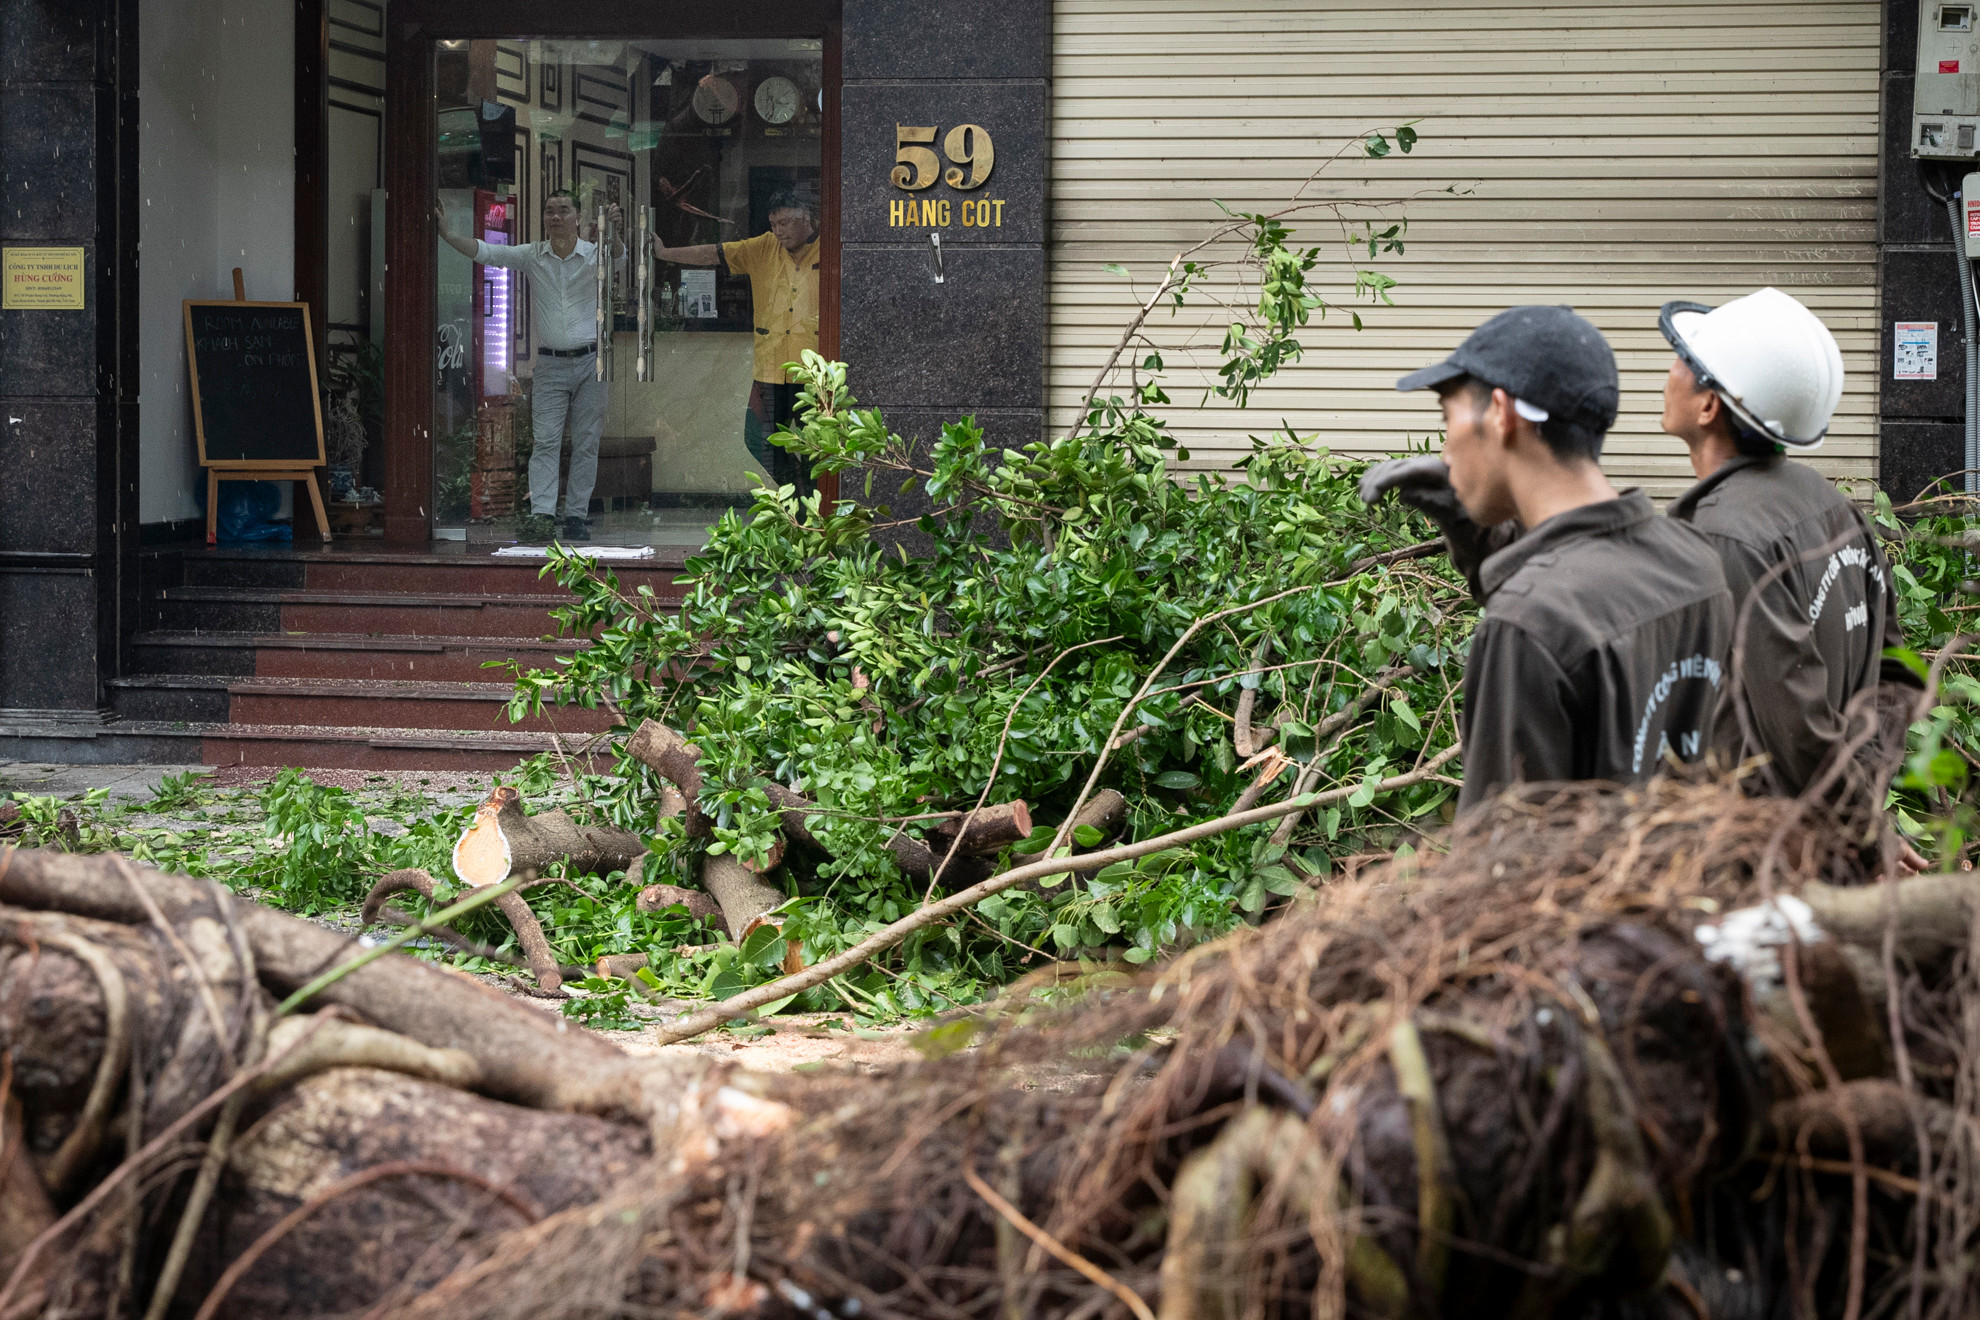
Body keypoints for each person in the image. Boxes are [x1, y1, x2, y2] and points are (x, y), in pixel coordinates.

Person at [1362, 306, 1735, 813]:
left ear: (1501, 413)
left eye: (1445, 418)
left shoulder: (1528, 622)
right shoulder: (1695, 560)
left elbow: (1501, 860)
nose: (1445, 450)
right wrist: (1470, 527)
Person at [1657, 288, 1922, 812]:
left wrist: (1857, 828)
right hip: (1819, 839)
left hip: (1754, 850)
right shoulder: (1831, 504)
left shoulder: (1724, 537)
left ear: (1710, 405)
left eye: (1685, 361)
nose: (1669, 369)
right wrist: (1865, 785)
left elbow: (1795, 722)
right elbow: (1899, 678)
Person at [435, 189, 621, 542]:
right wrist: (447, 234)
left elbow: (623, 260)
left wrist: (616, 232)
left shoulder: (596, 255)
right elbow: (487, 251)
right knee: (546, 441)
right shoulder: (533, 255)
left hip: (592, 361)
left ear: (578, 217)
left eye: (564, 210)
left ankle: (576, 517)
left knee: (586, 442)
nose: (556, 217)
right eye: (550, 210)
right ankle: (542, 515)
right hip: (550, 364)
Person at [651, 190, 820, 493]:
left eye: (784, 223)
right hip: (771, 367)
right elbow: (713, 254)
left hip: (816, 372)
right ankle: (799, 490)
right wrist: (665, 253)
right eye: (773, 224)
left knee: (821, 444)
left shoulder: (830, 248)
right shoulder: (763, 247)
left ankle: (815, 503)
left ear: (805, 217)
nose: (778, 231)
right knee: (757, 437)